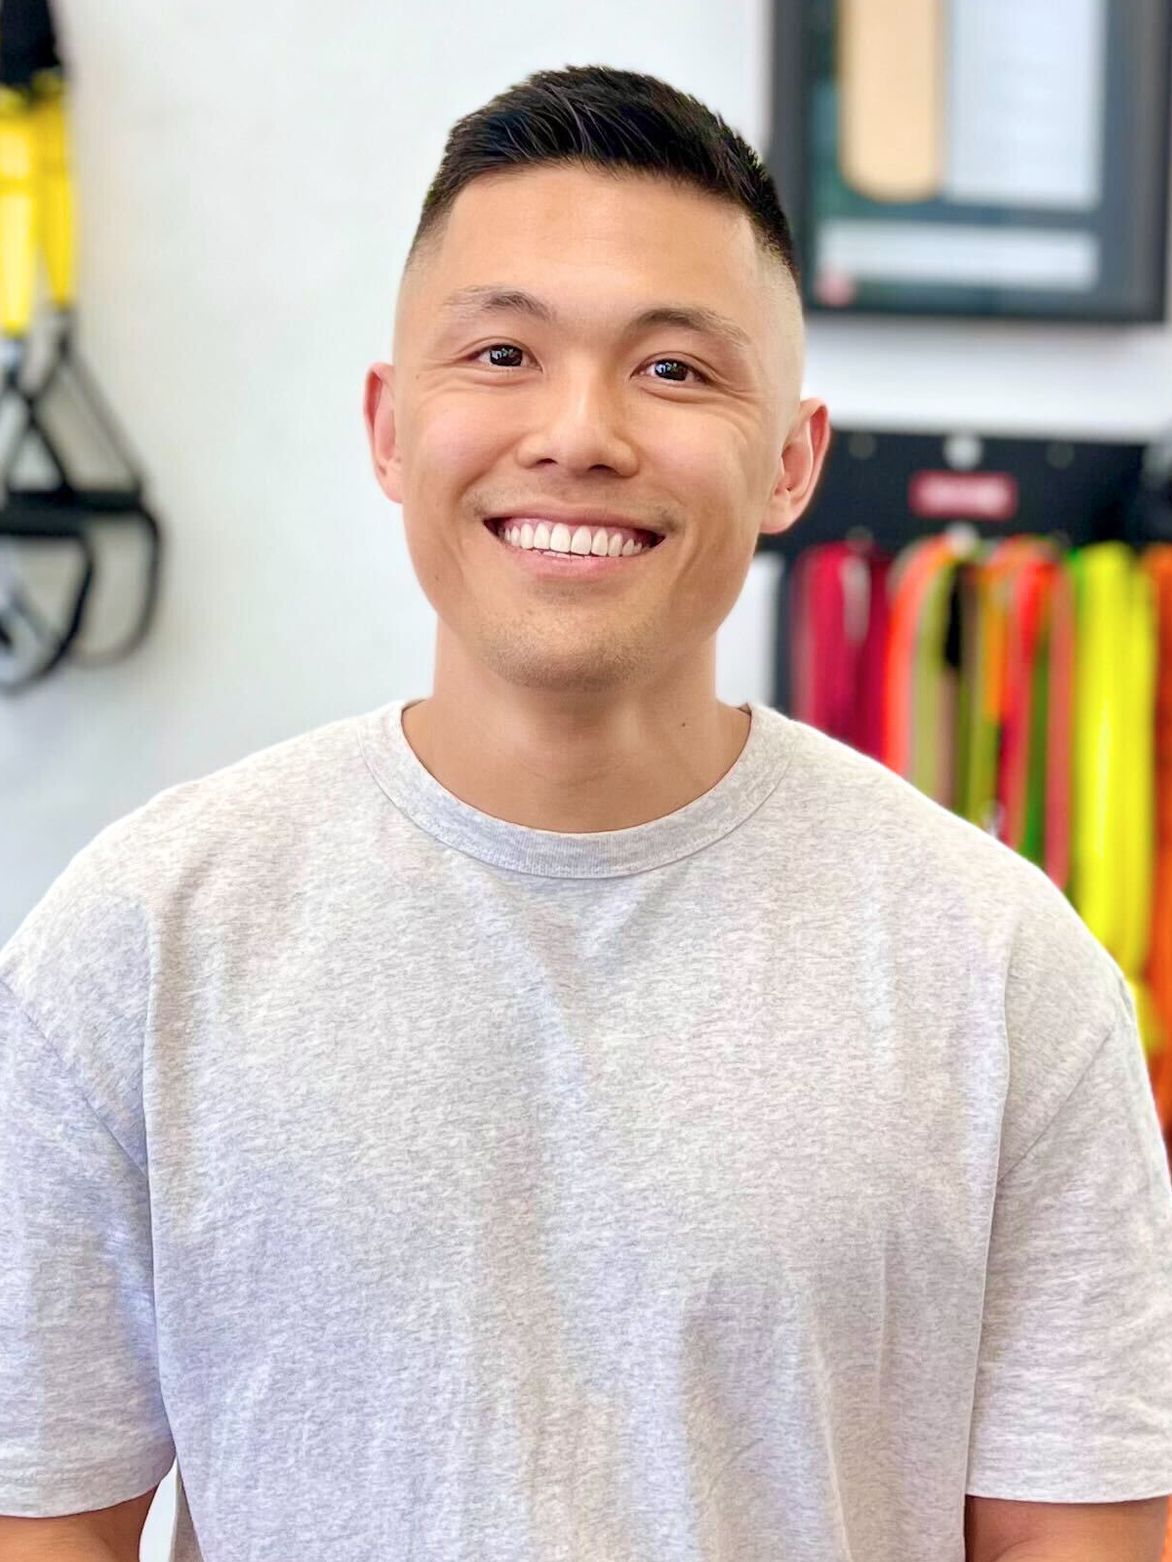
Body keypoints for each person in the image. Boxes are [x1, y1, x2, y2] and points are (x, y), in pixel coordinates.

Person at [1, 62, 1171, 1562]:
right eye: (500, 353)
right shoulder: (140, 940)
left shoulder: (1004, 972)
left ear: (794, 460)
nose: (581, 432)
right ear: (387, 424)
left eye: (676, 370)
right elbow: (45, 1520)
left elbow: (1070, 1539)